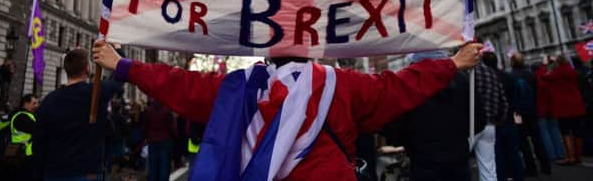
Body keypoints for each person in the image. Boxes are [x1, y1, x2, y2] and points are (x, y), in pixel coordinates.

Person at [93, 40, 483, 181]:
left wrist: (124, 65)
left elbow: (180, 84)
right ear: (312, 47)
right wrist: (451, 64)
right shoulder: (343, 84)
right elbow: (399, 87)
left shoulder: (241, 89)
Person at [382, 50, 476, 181]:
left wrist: (407, 143)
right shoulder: (462, 78)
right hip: (457, 156)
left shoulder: (406, 82)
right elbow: (478, 120)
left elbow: (395, 125)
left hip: (424, 160)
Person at [32, 48, 122, 181]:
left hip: (54, 172)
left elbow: (39, 142)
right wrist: (117, 49)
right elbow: (121, 73)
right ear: (88, 69)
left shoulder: (49, 101)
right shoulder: (96, 93)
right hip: (86, 172)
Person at [483, 52, 523, 181]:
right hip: (509, 118)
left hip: (494, 120)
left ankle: (502, 177)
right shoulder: (507, 76)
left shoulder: (487, 78)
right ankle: (518, 176)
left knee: (497, 154)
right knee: (513, 152)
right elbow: (515, 98)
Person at [508, 53, 551, 175]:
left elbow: (510, 96)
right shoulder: (531, 75)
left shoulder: (510, 76)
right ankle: (545, 166)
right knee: (537, 138)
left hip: (518, 114)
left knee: (523, 141)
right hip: (532, 110)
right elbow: (536, 91)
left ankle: (531, 168)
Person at [541, 54, 586, 165]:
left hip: (562, 106)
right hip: (576, 104)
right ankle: (578, 156)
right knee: (577, 130)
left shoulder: (555, 73)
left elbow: (544, 77)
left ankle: (570, 157)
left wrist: (546, 65)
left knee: (565, 131)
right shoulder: (573, 72)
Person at [474, 54, 509, 181]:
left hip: (470, 125)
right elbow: (503, 101)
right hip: (490, 124)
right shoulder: (491, 72)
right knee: (488, 167)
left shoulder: (465, 72)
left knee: (458, 165)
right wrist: (498, 121)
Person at [0, 94, 38, 181]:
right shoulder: (22, 116)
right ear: (26, 103)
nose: (36, 106)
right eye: (34, 103)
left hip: (21, 152)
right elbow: (37, 129)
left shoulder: (25, 115)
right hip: (23, 153)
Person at [533, 61, 566, 163]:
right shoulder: (550, 75)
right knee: (555, 131)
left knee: (545, 133)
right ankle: (560, 153)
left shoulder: (535, 78)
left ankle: (551, 154)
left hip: (540, 108)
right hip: (552, 106)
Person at [143, 99, 176, 181]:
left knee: (153, 164)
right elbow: (172, 127)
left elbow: (145, 126)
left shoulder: (148, 110)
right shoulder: (167, 111)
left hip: (152, 139)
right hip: (165, 139)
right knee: (164, 164)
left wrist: (147, 136)